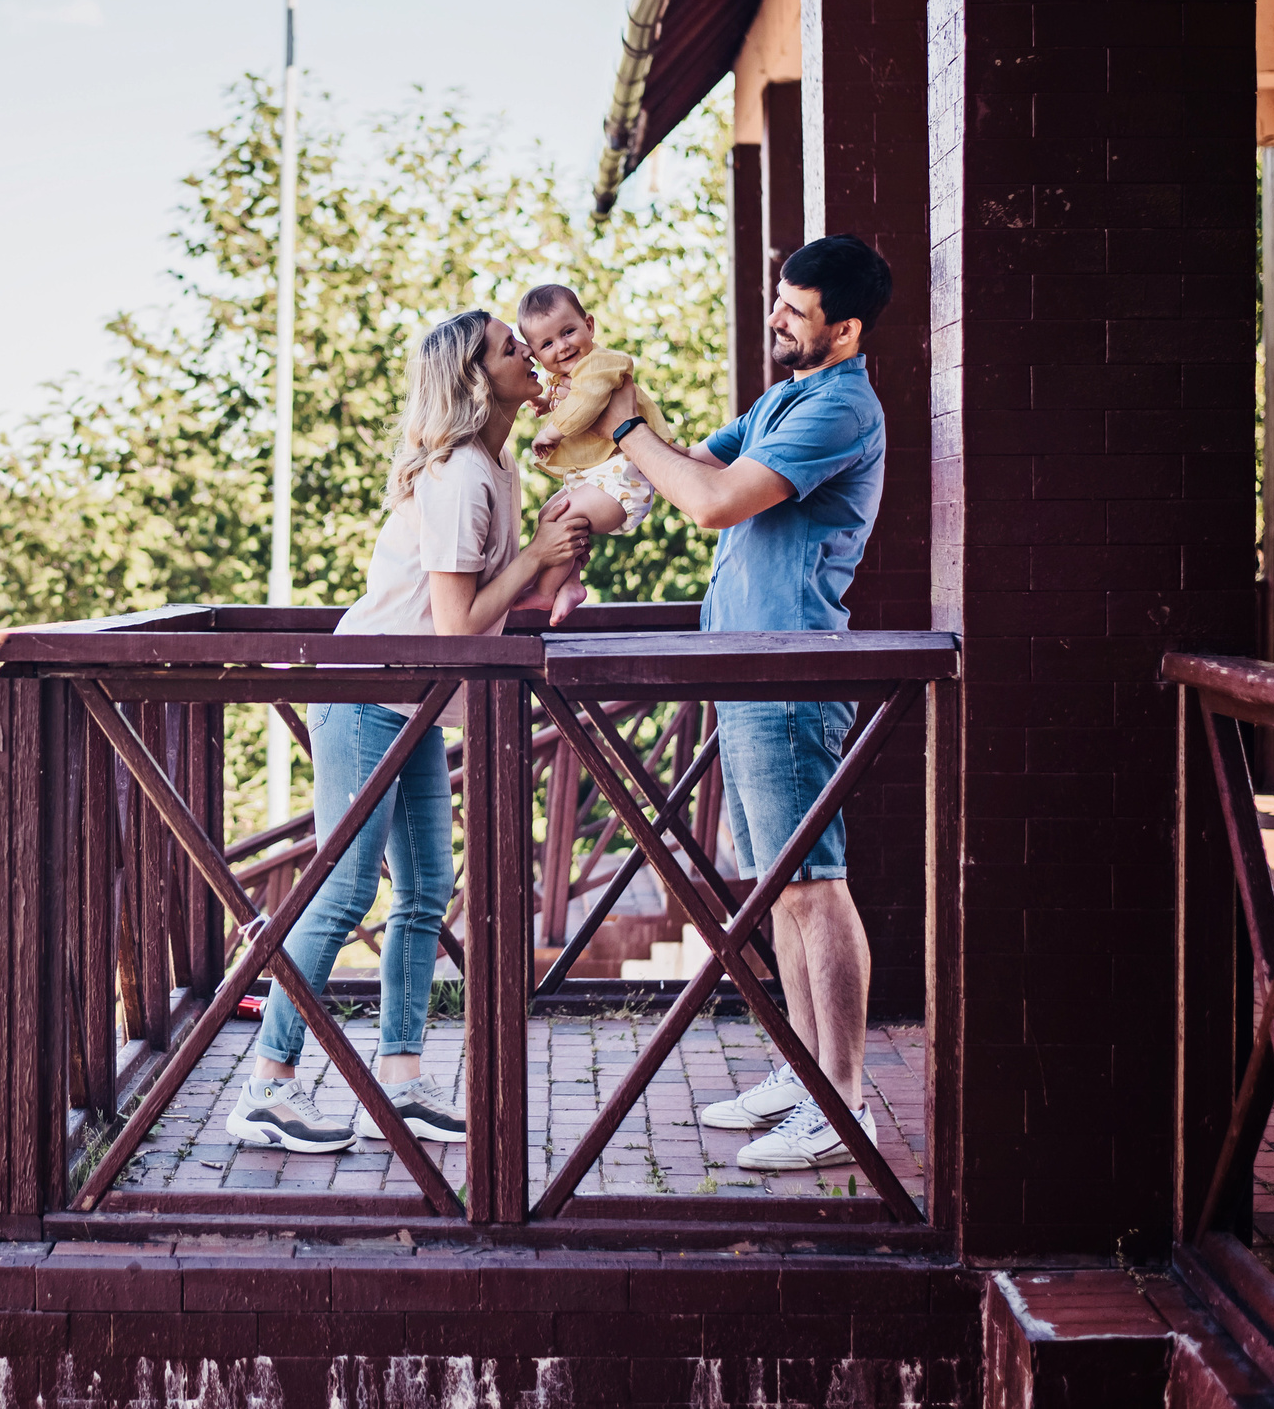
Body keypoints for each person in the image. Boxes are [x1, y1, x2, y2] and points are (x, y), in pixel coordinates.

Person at [228, 309, 595, 1153]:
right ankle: (266, 1088)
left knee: (427, 890)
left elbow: (494, 602)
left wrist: (557, 566)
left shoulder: (497, 467)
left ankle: (400, 1081)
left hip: (416, 702)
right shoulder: (462, 473)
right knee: (347, 889)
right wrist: (537, 558)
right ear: (478, 378)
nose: (533, 354)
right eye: (515, 348)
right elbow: (455, 626)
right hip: (365, 693)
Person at [595, 233, 893, 1173]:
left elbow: (716, 500)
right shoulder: (784, 397)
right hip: (749, 670)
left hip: (791, 677)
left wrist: (621, 426)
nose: (776, 318)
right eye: (777, 298)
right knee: (779, 887)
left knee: (816, 887)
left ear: (843, 329)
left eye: (795, 310)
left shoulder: (840, 409)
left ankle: (842, 1106)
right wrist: (584, 492)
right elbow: (676, 463)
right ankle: (801, 1070)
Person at [517, 283, 670, 623]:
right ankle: (571, 582)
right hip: (601, 477)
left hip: (624, 478)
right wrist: (545, 403)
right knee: (548, 516)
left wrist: (552, 432)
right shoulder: (565, 376)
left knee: (562, 519)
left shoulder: (600, 364)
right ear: (536, 354)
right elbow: (569, 399)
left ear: (589, 325)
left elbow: (586, 404)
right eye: (547, 344)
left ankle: (545, 591)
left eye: (568, 331)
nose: (562, 346)